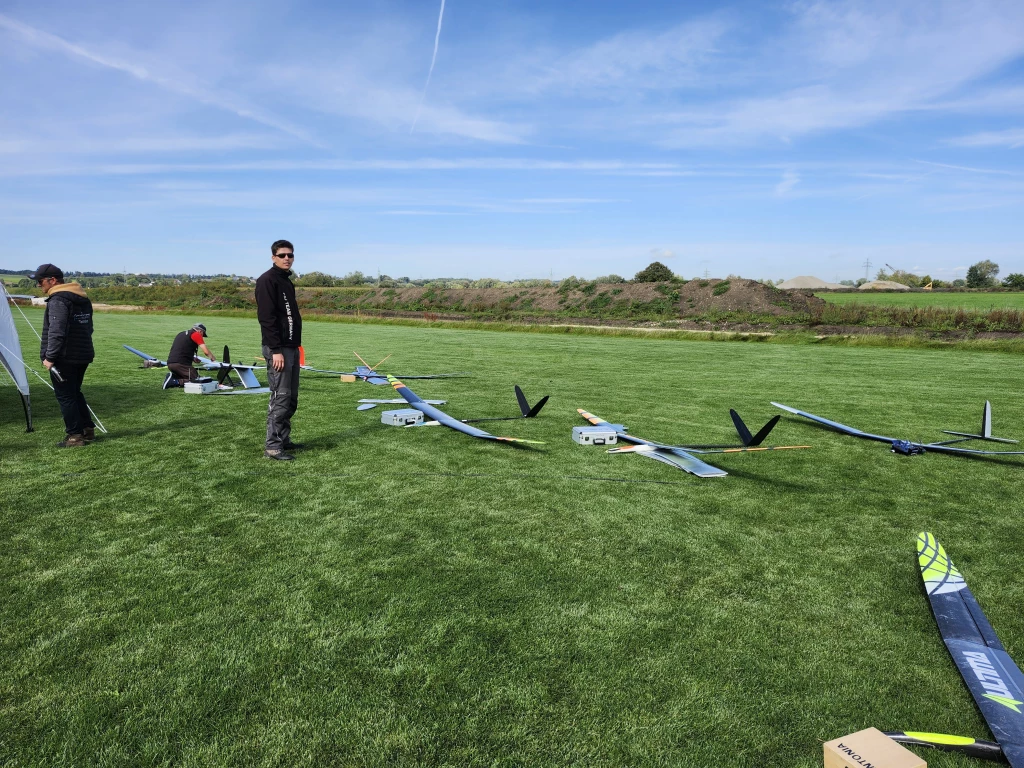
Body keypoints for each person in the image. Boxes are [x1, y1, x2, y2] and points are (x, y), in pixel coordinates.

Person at [28, 263, 95, 447]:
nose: (39, 286)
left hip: (65, 357)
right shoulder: (81, 298)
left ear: (53, 280)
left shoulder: (58, 300)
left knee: (65, 396)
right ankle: (88, 430)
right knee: (75, 393)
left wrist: (49, 357)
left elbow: (56, 332)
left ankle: (75, 436)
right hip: (83, 354)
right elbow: (89, 328)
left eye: (40, 282)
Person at [255, 240, 302, 460]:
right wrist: (275, 350)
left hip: (291, 347)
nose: (287, 258)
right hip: (278, 349)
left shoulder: (286, 281)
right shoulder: (267, 281)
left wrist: (294, 345)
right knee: (281, 397)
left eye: (290, 255)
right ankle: (272, 447)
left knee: (291, 398)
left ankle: (283, 439)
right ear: (273, 257)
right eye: (282, 255)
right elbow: (267, 318)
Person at [163, 323, 215, 389]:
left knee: (191, 377)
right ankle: (175, 381)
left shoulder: (181, 334)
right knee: (197, 380)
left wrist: (192, 358)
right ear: (200, 331)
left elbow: (180, 349)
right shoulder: (196, 334)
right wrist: (212, 357)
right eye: (202, 334)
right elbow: (206, 352)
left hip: (171, 363)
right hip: (181, 365)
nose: (202, 336)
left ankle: (175, 376)